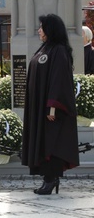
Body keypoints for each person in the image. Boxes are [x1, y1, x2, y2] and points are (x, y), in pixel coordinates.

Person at [22, 14, 79, 195]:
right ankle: (47, 178)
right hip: (39, 108)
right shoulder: (45, 49)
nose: (39, 30)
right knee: (44, 142)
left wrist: (52, 105)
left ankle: (52, 178)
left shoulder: (59, 51)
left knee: (52, 143)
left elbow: (59, 80)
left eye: (42, 27)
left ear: (51, 29)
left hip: (51, 109)